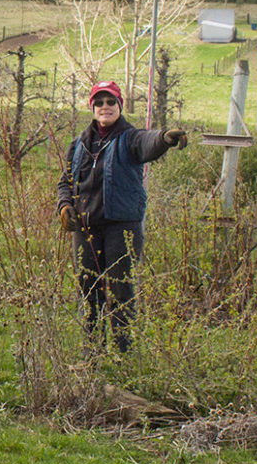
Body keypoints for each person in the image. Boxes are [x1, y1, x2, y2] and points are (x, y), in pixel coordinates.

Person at [57, 80, 187, 353]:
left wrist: (165, 138)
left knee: (120, 291)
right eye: (99, 102)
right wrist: (65, 206)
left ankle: (122, 354)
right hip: (86, 229)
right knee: (88, 290)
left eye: (110, 102)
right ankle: (92, 352)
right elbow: (65, 182)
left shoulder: (131, 138)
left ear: (119, 106)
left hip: (122, 228)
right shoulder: (79, 144)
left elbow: (149, 143)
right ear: (92, 107)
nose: (105, 107)